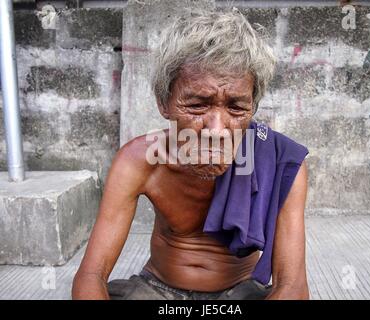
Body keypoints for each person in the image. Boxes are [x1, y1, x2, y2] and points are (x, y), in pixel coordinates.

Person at [71, 10, 309, 300]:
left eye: (236, 108)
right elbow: (91, 275)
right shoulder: (140, 160)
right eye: (197, 105)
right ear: (164, 103)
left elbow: (292, 287)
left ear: (252, 108)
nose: (217, 130)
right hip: (156, 289)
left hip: (241, 292)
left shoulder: (281, 163)